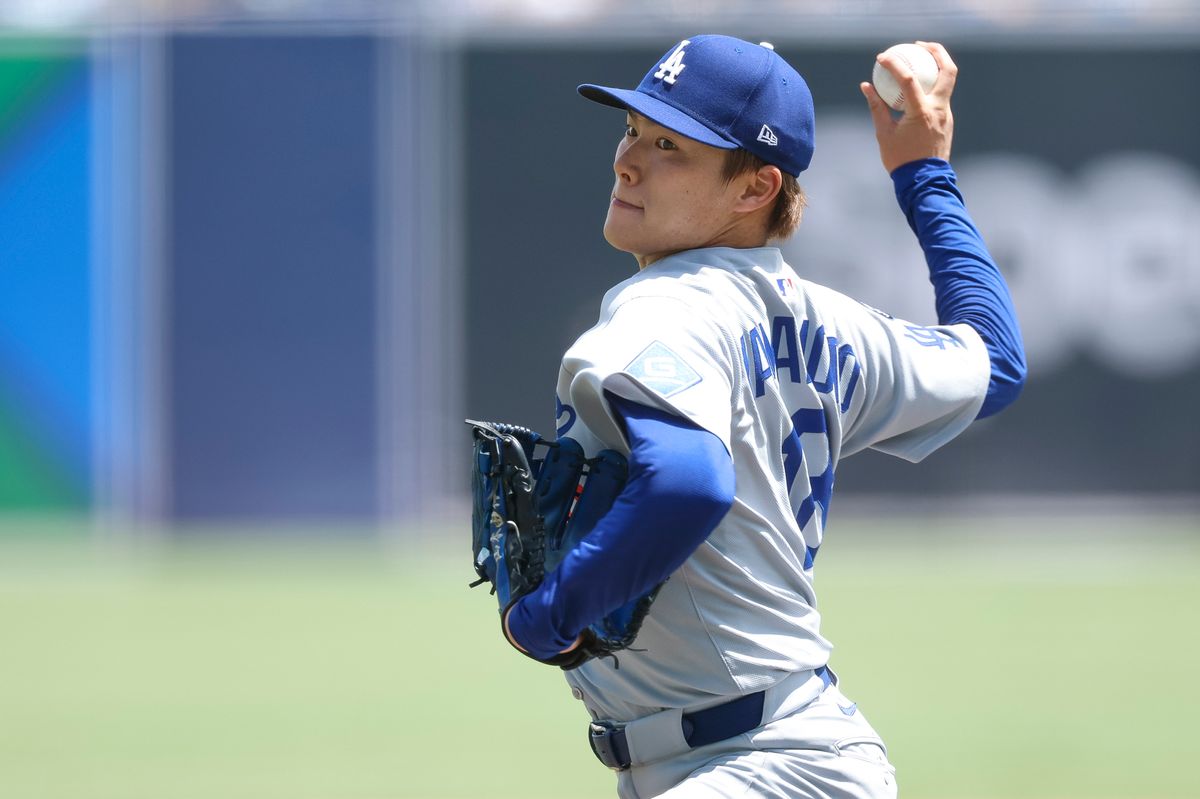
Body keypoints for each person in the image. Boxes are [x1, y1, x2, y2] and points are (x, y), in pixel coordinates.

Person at [500, 35, 1025, 798]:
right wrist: (924, 174)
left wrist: (550, 613)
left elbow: (687, 482)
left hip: (757, 764)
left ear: (755, 189)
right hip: (790, 753)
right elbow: (997, 363)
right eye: (633, 131)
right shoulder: (837, 324)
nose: (628, 161)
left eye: (671, 147)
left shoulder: (663, 308)